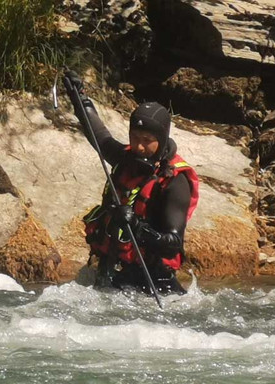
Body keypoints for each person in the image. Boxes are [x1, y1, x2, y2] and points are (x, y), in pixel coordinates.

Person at [63, 70, 199, 295]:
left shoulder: (175, 181)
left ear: (162, 139)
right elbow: (100, 137)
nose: (139, 146)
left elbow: (173, 243)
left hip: (153, 281)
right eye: (135, 137)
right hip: (113, 271)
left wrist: (137, 227)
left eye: (147, 141)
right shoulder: (126, 158)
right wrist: (80, 99)